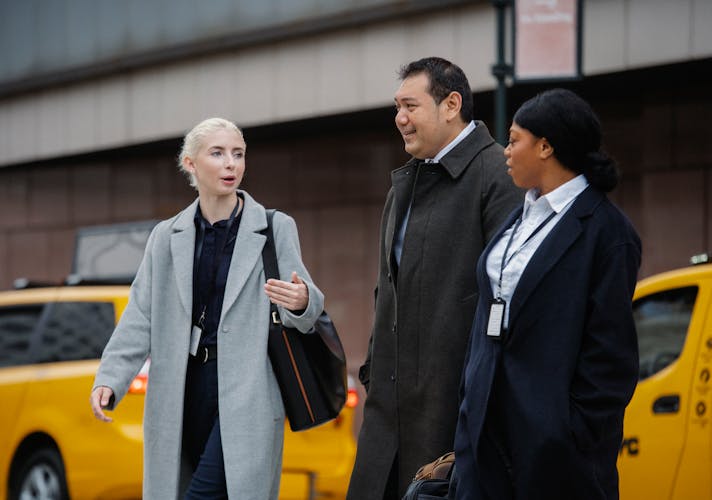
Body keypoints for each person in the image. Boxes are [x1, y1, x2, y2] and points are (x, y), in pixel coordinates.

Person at [89, 117, 324, 500]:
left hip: (248, 390)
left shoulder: (274, 227)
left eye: (238, 154)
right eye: (218, 153)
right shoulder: (166, 237)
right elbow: (140, 314)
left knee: (201, 495)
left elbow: (308, 299)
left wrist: (302, 300)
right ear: (191, 163)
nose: (231, 163)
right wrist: (110, 378)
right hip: (182, 389)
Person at [451, 88, 641, 499]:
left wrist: (569, 431)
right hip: (483, 438)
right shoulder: (518, 218)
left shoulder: (607, 232)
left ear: (546, 146)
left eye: (515, 139)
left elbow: (612, 356)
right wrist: (470, 402)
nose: (506, 150)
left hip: (552, 454)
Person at [348, 57, 522, 500]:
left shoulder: (497, 176)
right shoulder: (403, 185)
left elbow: (510, 300)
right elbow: (386, 290)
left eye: (411, 106)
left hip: (451, 415)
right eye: (397, 107)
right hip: (388, 412)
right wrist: (373, 372)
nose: (400, 119)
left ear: (451, 104)